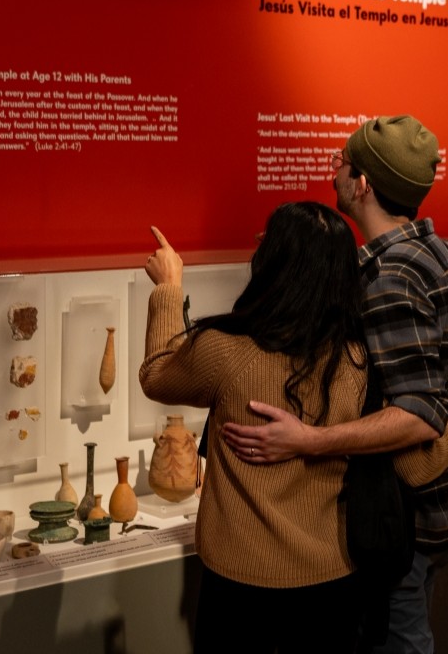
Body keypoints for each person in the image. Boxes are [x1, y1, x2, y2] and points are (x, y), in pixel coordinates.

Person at [222, 115, 448, 654]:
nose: (333, 170)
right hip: (437, 512)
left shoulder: (391, 277)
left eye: (342, 162)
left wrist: (308, 440)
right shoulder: (435, 253)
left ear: (362, 184)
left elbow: (419, 413)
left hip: (401, 527)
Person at [139, 204, 369, 653]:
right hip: (333, 579)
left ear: (278, 263)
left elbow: (156, 375)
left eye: (268, 237)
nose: (257, 240)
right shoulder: (354, 359)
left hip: (243, 586)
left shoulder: (227, 352)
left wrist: (168, 288)